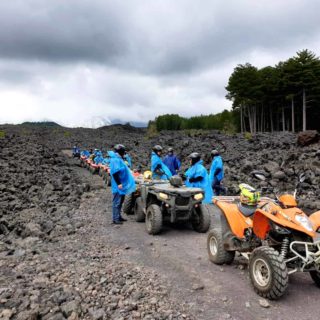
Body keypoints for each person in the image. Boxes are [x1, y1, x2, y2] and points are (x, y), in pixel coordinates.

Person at [109, 144, 136, 224]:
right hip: (118, 185)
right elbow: (114, 173)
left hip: (121, 184)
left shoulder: (118, 158)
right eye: (123, 151)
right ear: (121, 151)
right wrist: (119, 183)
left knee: (120, 201)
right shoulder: (115, 159)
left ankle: (118, 216)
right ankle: (115, 219)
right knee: (116, 202)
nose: (124, 153)